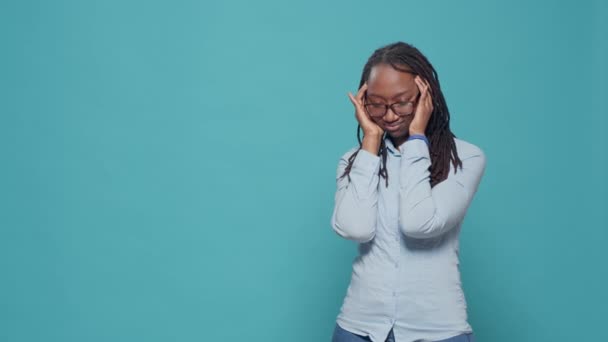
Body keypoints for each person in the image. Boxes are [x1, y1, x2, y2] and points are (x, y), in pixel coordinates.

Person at [330, 42, 486, 342]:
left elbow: (418, 223)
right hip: (358, 328)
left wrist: (417, 139)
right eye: (376, 104)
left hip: (436, 331)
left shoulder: (465, 158)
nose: (388, 116)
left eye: (402, 102)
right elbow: (355, 228)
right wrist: (371, 142)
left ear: (426, 97)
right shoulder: (355, 161)